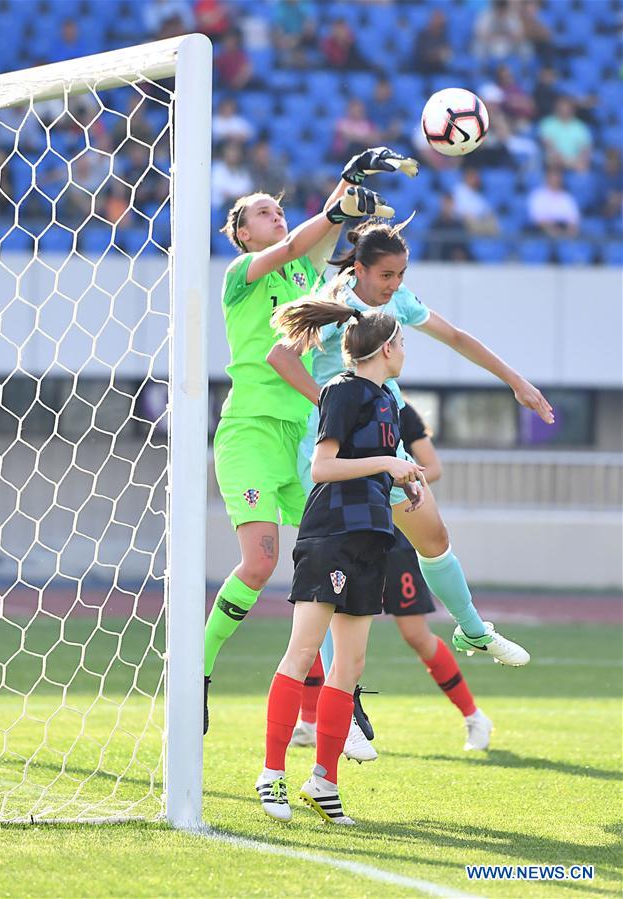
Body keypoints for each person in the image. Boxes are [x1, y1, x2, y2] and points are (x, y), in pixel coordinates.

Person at [269, 220, 553, 746]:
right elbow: (280, 356)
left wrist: (517, 381)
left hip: (388, 449)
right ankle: (344, 707)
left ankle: (472, 629)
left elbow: (457, 337)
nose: (394, 283)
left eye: (401, 273)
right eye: (386, 275)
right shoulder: (334, 303)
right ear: (358, 269)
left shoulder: (396, 304)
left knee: (435, 538)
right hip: (342, 458)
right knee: (341, 578)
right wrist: (333, 408)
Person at [203, 148, 420, 734]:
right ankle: (196, 671)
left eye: (279, 210)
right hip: (248, 430)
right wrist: (345, 190)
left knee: (335, 553)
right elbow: (307, 238)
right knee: (260, 563)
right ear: (243, 234)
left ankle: (336, 697)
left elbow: (319, 235)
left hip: (297, 436)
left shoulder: (303, 278)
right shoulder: (240, 278)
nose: (276, 216)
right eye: (264, 213)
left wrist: (345, 197)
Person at [256, 302, 424, 824]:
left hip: (371, 537)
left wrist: (402, 481)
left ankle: (323, 781)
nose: (405, 349)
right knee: (303, 653)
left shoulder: (387, 401)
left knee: (350, 667)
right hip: (330, 533)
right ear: (387, 347)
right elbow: (323, 466)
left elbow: (369, 466)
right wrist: (389, 463)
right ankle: (272, 776)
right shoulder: (343, 390)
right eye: (402, 341)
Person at [292, 401, 493, 755]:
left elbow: (432, 467)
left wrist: (391, 476)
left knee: (415, 634)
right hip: (350, 528)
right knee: (320, 624)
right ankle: (311, 720)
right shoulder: (344, 401)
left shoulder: (398, 409)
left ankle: (474, 716)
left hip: (396, 534)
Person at [539, 97, 592, 172]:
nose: (564, 111)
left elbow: (585, 148)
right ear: (557, 109)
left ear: (572, 110)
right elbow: (547, 144)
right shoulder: (547, 123)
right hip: (554, 160)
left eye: (567, 108)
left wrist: (579, 160)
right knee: (552, 161)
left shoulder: (580, 127)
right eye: (562, 108)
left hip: (574, 161)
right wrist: (561, 159)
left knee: (583, 169)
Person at [527, 168, 580, 238]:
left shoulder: (567, 197)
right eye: (553, 177)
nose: (555, 180)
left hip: (563, 232)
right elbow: (537, 219)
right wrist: (552, 230)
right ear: (547, 178)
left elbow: (573, 220)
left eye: (557, 177)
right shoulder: (537, 195)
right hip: (541, 233)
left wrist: (567, 232)